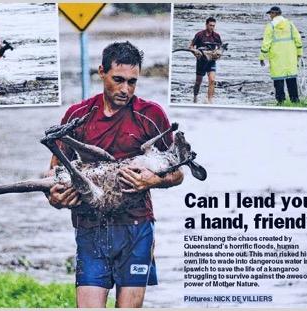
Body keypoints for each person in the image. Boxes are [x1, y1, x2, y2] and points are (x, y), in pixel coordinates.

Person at [45, 41, 184, 308]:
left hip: (136, 228)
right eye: (118, 80)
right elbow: (54, 173)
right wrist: (55, 197)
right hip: (90, 227)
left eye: (132, 82)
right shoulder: (77, 115)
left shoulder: (151, 115)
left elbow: (177, 172)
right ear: (101, 72)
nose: (125, 90)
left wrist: (155, 180)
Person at [260, 6, 303, 104]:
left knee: (278, 81)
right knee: (291, 79)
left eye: (270, 13)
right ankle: (295, 100)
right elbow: (298, 39)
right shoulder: (290, 25)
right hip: (290, 57)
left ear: (274, 14)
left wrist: (262, 57)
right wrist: (299, 53)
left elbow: (266, 44)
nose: (270, 16)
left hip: (277, 58)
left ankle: (280, 102)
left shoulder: (270, 27)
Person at [189, 17, 222, 104]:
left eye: (213, 26)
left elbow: (221, 48)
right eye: (210, 25)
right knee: (198, 82)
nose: (212, 27)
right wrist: (195, 52)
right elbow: (191, 46)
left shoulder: (216, 36)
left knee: (212, 80)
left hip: (211, 61)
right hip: (201, 61)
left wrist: (219, 53)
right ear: (206, 25)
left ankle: (209, 102)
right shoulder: (199, 35)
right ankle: (195, 97)